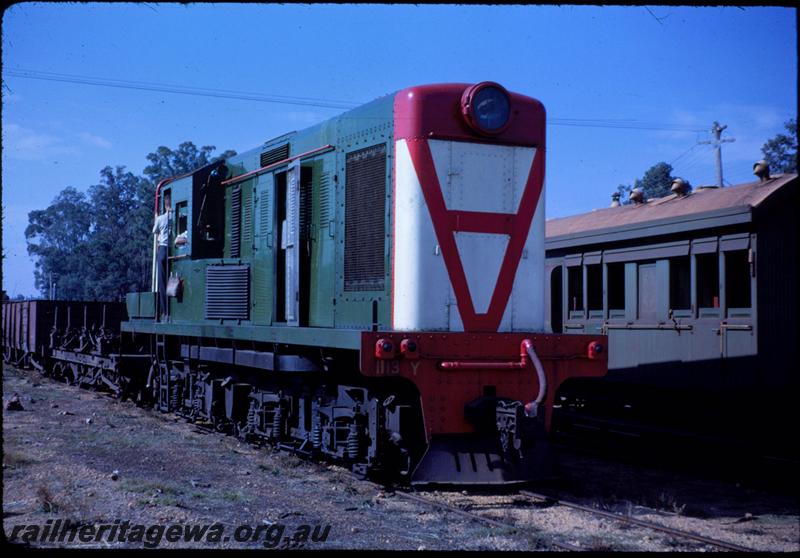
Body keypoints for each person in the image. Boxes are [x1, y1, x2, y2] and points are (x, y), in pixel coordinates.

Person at [152, 190, 171, 320]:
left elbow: (154, 231)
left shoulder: (161, 218)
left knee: (162, 282)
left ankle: (165, 310)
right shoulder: (176, 216)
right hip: (174, 249)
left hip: (163, 249)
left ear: (165, 205)